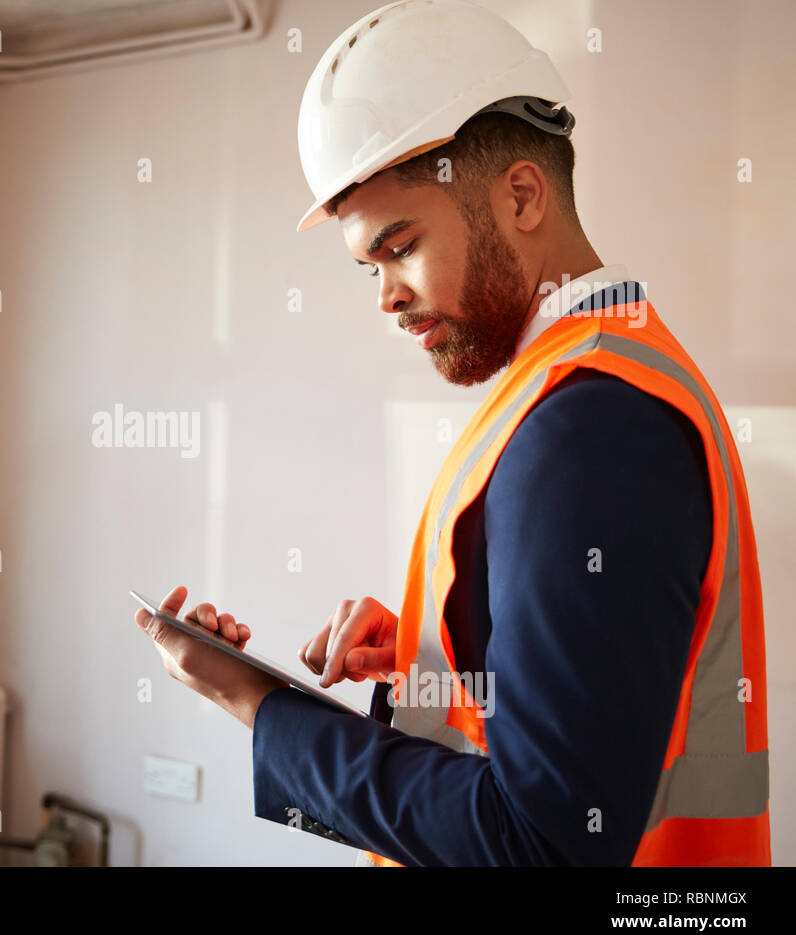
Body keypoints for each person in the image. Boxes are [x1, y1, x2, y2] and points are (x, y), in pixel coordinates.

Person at [131, 0, 770, 866]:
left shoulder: (591, 422)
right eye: (369, 267)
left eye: (400, 246)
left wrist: (257, 705)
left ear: (520, 195)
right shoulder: (584, 380)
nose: (386, 296)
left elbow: (542, 845)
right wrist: (432, 657)